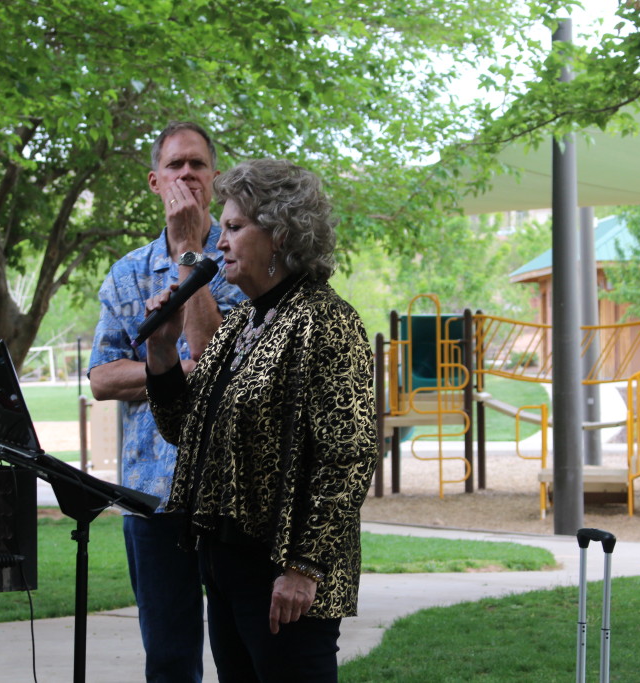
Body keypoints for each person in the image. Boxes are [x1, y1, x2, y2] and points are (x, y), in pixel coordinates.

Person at [143, 159, 378, 682]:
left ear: (280, 235)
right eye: (220, 228)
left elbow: (350, 456)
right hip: (226, 563)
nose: (218, 243)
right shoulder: (239, 327)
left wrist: (304, 567)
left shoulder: (326, 322)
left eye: (233, 228)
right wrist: (161, 355)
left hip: (285, 578)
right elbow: (186, 431)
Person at [88, 121, 245, 683]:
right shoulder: (128, 273)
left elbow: (222, 358)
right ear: (156, 182)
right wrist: (180, 371)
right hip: (151, 498)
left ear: (215, 178)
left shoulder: (243, 263)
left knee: (241, 654)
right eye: (175, 166)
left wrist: (188, 253)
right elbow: (103, 378)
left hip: (230, 497)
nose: (187, 175)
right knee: (171, 659)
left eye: (197, 165)